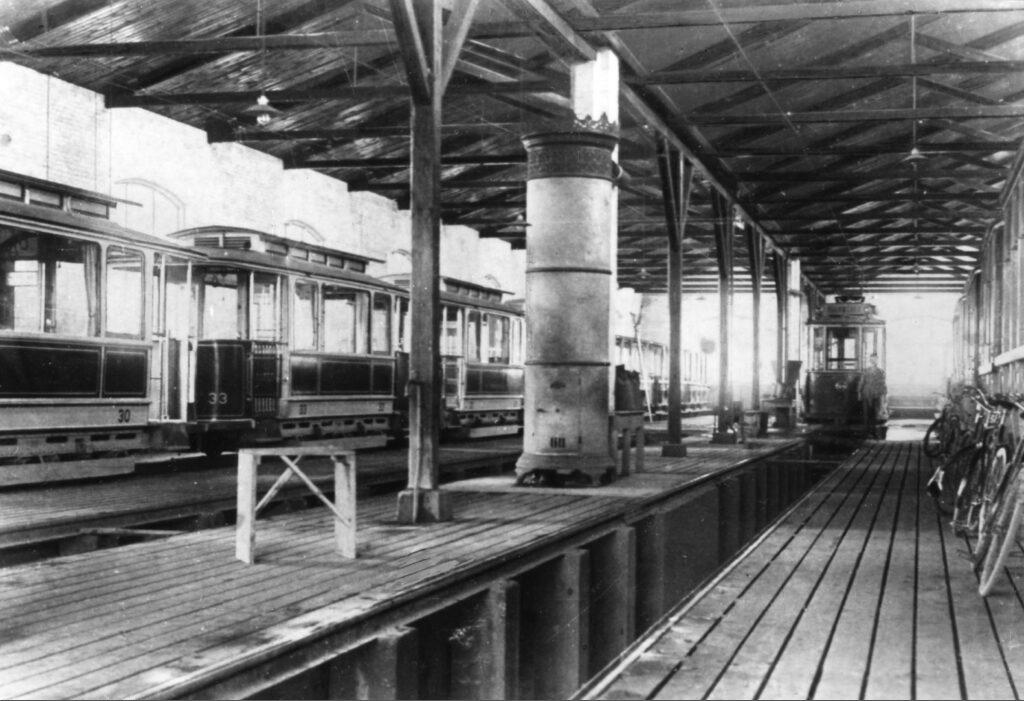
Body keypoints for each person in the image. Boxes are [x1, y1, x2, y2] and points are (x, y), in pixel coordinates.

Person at [859, 353, 887, 437]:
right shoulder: (866, 371)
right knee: (866, 414)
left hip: (876, 394)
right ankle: (866, 432)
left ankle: (873, 432)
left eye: (875, 359)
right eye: (872, 359)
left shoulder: (881, 372)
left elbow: (883, 384)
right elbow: (861, 382)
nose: (873, 361)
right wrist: (859, 393)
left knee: (875, 414)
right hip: (866, 394)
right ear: (870, 360)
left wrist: (883, 396)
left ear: (877, 360)